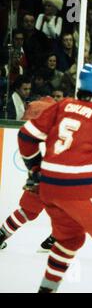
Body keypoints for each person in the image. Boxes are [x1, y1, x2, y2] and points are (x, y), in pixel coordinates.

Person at [17, 64, 92, 293]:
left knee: (70, 240)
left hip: (49, 188)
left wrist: (35, 168)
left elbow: (26, 135)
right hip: (81, 188)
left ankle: (46, 290)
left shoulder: (63, 105)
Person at [0, 95, 58, 251]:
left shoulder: (33, 124)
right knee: (72, 211)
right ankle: (55, 240)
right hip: (64, 176)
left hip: (41, 174)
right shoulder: (63, 122)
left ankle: (2, 234)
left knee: (27, 211)